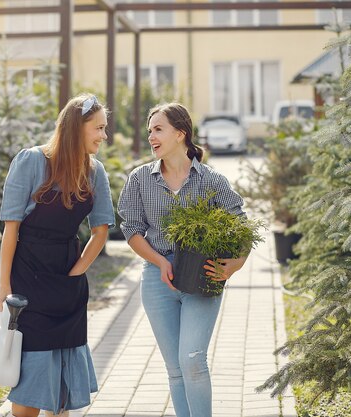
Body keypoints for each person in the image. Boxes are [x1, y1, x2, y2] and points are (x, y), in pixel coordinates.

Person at [117, 102, 248, 417]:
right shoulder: (139, 179)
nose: (151, 137)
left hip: (202, 275)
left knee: (192, 360)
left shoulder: (212, 181)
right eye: (150, 131)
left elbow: (241, 224)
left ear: (180, 133)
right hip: (157, 278)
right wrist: (160, 262)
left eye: (158, 129)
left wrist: (236, 264)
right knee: (174, 367)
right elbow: (131, 229)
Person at [0, 94, 115, 417]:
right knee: (32, 374)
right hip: (28, 281)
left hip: (68, 279)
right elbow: (11, 229)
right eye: (99, 128)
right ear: (77, 128)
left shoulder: (95, 172)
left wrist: (75, 275)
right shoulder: (31, 161)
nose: (104, 136)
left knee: (63, 382)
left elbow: (100, 231)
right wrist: (3, 285)